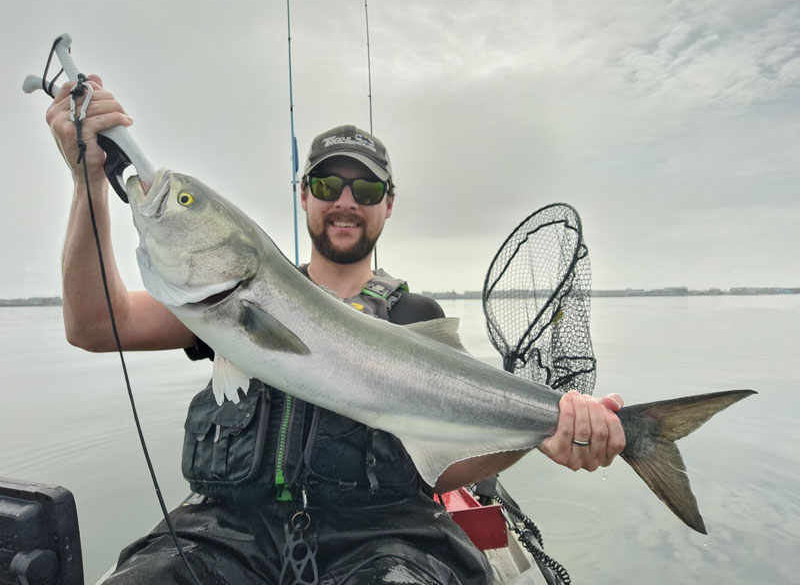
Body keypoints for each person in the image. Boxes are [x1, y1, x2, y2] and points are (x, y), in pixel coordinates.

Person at [46, 77, 626, 585]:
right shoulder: (225, 297)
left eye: (366, 190)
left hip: (385, 537)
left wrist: (538, 436)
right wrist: (88, 181)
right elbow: (95, 325)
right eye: (327, 186)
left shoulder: (416, 318)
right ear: (304, 196)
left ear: (388, 205)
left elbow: (444, 465)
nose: (345, 202)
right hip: (229, 534)